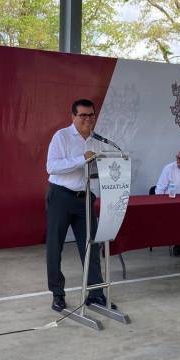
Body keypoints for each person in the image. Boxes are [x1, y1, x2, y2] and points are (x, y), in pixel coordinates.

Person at [45, 99, 112, 313]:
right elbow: (52, 167)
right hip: (61, 197)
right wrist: (81, 159)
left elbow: (100, 167)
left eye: (91, 115)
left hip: (85, 198)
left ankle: (95, 293)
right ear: (73, 116)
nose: (87, 119)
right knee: (56, 246)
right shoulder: (61, 136)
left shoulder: (97, 140)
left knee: (91, 245)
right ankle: (58, 294)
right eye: (83, 115)